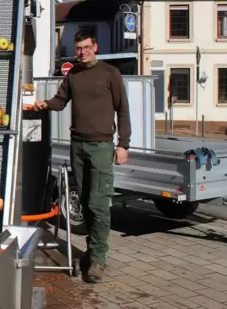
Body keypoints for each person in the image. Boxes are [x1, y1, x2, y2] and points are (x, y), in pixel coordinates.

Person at [34, 30, 130, 283]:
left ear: (95, 47)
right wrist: (43, 104)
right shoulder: (73, 74)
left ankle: (98, 259)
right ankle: (91, 251)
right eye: (78, 48)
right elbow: (60, 100)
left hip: (101, 146)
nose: (82, 52)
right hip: (77, 145)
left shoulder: (110, 73)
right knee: (85, 202)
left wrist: (123, 145)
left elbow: (123, 111)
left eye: (86, 47)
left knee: (99, 204)